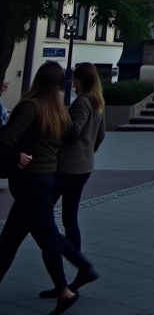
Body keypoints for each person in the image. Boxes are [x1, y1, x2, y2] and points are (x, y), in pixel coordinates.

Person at [0, 61, 94, 311]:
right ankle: (67, 287)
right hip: (46, 178)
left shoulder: (31, 107)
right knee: (23, 237)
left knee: (31, 237)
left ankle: (71, 282)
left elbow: (6, 139)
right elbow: (70, 135)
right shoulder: (59, 111)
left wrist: (17, 154)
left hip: (30, 180)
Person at [48, 60, 106, 287]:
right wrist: (88, 152)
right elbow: (100, 135)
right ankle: (79, 269)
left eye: (76, 79)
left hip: (68, 167)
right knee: (69, 218)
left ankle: (77, 264)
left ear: (83, 80)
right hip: (83, 167)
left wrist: (61, 115)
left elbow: (74, 130)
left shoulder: (83, 101)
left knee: (43, 214)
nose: (73, 84)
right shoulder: (98, 101)